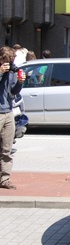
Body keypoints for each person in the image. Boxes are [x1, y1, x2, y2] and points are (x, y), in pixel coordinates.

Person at [0, 46, 26, 190]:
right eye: (7, 60)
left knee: (7, 148)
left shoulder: (10, 72)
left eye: (11, 61)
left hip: (8, 112)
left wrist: (20, 82)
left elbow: (13, 92)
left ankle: (5, 179)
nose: (10, 64)